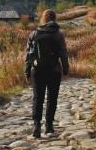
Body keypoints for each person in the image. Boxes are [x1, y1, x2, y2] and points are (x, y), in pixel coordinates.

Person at [25, 9, 69, 138]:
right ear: (54, 19)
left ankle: (36, 125)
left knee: (37, 97)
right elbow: (64, 54)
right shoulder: (58, 35)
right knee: (52, 98)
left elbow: (29, 55)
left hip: (37, 70)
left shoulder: (34, 34)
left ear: (42, 19)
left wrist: (27, 71)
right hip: (54, 70)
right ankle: (49, 125)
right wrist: (65, 70)